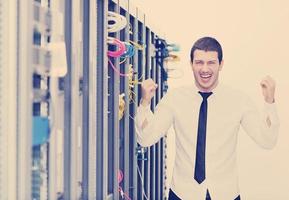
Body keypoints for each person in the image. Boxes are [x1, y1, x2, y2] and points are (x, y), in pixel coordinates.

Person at [135, 37, 280, 200]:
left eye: (211, 62)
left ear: (221, 64)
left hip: (226, 194)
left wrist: (269, 103)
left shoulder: (238, 100)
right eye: (199, 62)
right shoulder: (175, 98)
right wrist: (145, 103)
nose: (205, 69)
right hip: (183, 193)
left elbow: (267, 141)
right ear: (191, 64)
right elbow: (146, 138)